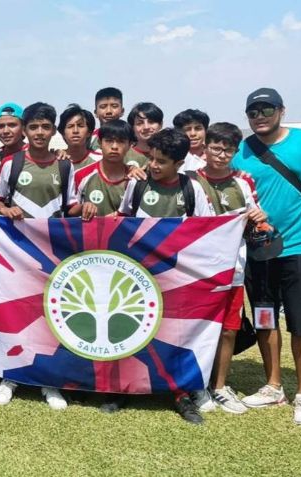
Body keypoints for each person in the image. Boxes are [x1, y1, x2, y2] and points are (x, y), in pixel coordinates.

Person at [231, 88, 301, 426]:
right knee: (264, 317)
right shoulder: (242, 151)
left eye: (266, 109)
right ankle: (273, 385)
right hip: (259, 250)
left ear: (281, 110)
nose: (259, 116)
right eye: (253, 112)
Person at [118, 128, 214, 424]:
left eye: (161, 161)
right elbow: (122, 220)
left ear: (179, 163)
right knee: (131, 330)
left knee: (174, 336)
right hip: (136, 277)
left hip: (176, 279)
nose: (153, 166)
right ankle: (122, 390)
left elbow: (207, 232)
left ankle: (180, 394)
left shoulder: (193, 189)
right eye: (151, 158)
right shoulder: (136, 186)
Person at [0, 102, 74, 409]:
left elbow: (72, 207)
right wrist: (5, 209)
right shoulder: (10, 164)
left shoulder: (65, 166)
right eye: (34, 127)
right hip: (17, 254)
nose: (40, 133)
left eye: (46, 127)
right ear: (25, 131)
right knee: (17, 315)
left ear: (54, 131)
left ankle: (48, 382)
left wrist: (88, 210)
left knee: (50, 316)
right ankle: (10, 377)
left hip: (53, 256)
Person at [189, 122, 265, 414]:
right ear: (205, 147)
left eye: (228, 150)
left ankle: (220, 386)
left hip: (233, 267)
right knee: (195, 328)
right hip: (195, 271)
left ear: (236, 151)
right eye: (216, 148)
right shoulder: (190, 180)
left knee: (229, 329)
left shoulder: (244, 181)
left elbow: (256, 218)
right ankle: (195, 384)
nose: (221, 155)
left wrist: (259, 216)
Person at [70, 120, 133, 220]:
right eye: (108, 141)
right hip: (89, 235)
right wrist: (83, 207)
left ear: (130, 145)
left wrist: (120, 216)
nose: (114, 147)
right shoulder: (81, 175)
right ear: (100, 143)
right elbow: (70, 211)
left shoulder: (135, 180)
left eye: (121, 141)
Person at [58, 104, 99, 170]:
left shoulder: (100, 161)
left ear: (89, 132)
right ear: (63, 133)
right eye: (70, 126)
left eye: (80, 126)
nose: (75, 131)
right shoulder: (56, 160)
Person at [125, 102, 163, 168]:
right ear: (132, 127)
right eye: (139, 123)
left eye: (151, 122)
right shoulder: (124, 155)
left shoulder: (168, 154)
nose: (146, 127)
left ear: (160, 125)